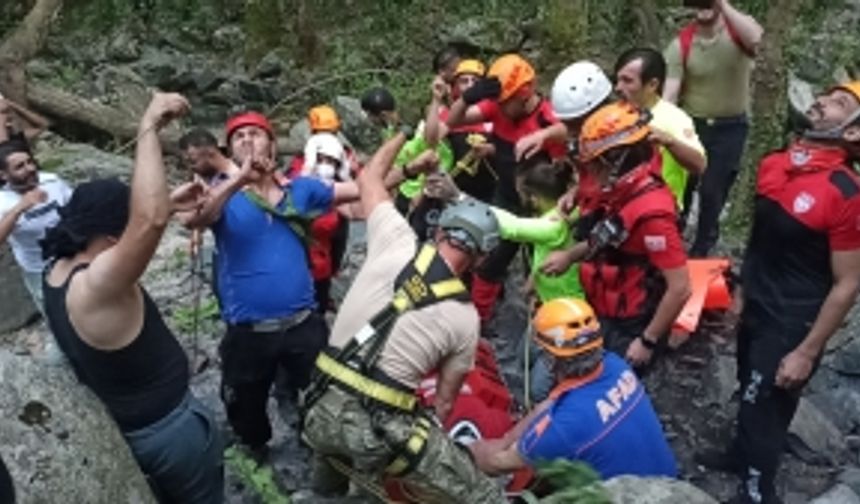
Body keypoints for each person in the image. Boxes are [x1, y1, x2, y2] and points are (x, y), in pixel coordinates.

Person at [182, 110, 432, 456]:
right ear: (229, 150)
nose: (247, 140)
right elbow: (198, 218)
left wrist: (407, 169)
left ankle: (316, 437)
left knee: (321, 389)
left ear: (272, 144)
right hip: (247, 329)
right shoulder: (216, 193)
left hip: (302, 321)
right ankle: (255, 445)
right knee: (245, 400)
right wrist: (239, 180)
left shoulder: (301, 189)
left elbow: (363, 189)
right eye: (239, 137)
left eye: (255, 134)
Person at [301, 133, 507, 504]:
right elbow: (442, 406)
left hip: (315, 406)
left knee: (335, 439)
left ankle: (322, 490)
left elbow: (369, 179)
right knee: (482, 497)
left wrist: (403, 136)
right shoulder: (465, 319)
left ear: (440, 229)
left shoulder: (395, 239)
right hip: (376, 434)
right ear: (480, 258)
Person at [40, 92, 223, 503]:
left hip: (134, 428)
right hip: (168, 432)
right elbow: (148, 220)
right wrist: (148, 127)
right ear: (110, 238)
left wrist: (169, 205)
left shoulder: (57, 270)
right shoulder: (97, 287)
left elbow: (145, 218)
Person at [698, 82, 860, 504]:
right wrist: (741, 297)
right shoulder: (775, 165)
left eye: (840, 103)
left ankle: (758, 492)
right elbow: (758, 243)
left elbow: (848, 282)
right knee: (747, 384)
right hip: (759, 302)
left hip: (794, 317)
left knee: (764, 404)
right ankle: (741, 456)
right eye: (826, 95)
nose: (822, 101)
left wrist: (807, 351)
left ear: (854, 132)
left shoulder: (847, 193)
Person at [469, 298, 677, 480]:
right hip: (667, 486)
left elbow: (497, 463)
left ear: (549, 360)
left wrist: (466, 450)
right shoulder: (615, 366)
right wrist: (506, 439)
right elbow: (550, 405)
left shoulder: (562, 431)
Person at [446, 53, 566, 326]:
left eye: (505, 101)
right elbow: (453, 121)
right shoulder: (497, 108)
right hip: (506, 195)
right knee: (489, 262)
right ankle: (477, 321)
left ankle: (547, 322)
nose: (499, 107)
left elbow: (567, 135)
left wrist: (543, 136)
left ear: (524, 94)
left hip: (541, 206)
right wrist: (467, 98)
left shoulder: (546, 118)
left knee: (539, 268)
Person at [575, 102, 691, 367]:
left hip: (632, 322)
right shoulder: (624, 191)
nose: (592, 174)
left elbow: (681, 287)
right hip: (608, 305)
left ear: (617, 161)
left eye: (596, 166)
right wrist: (569, 255)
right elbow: (610, 233)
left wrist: (647, 340)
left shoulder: (654, 216)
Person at [663, 0, 763, 256]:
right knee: (683, 184)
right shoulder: (681, 44)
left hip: (730, 128)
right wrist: (661, 125)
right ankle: (675, 231)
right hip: (692, 124)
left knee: (712, 190)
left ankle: (703, 244)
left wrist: (722, 4)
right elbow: (670, 93)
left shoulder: (738, 33)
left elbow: (757, 41)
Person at [614, 47, 706, 209]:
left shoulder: (675, 118)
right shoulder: (614, 114)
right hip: (618, 210)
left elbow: (699, 165)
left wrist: (668, 141)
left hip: (659, 212)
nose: (618, 88)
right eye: (618, 80)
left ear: (652, 85)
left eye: (627, 81)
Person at [0, 134, 72, 315]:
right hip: (39, 270)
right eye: (20, 167)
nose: (30, 168)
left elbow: (76, 209)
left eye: (30, 162)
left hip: (72, 256)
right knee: (57, 318)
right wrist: (19, 209)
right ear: (4, 175)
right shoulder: (3, 202)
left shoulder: (52, 181)